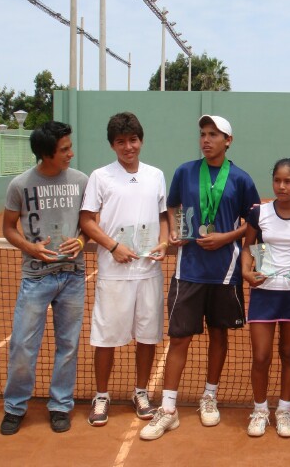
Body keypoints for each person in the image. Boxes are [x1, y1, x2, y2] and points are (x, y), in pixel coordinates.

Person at [139, 114, 260, 441]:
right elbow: (173, 207)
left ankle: (209, 396)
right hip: (188, 269)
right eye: (203, 134)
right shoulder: (184, 171)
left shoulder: (241, 179)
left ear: (228, 141)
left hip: (225, 272)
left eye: (214, 135)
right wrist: (177, 231)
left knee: (219, 337)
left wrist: (226, 237)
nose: (206, 140)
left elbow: (253, 223)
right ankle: (168, 409)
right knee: (179, 338)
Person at [80, 112, 168, 427]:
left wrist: (163, 242)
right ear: (113, 145)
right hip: (113, 272)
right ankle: (101, 395)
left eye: (132, 140)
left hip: (148, 272)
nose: (128, 147)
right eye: (121, 142)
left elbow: (163, 217)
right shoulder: (100, 177)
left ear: (140, 140)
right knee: (105, 337)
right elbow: (87, 220)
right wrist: (114, 247)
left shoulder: (156, 175)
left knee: (147, 336)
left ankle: (140, 392)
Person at [0, 122, 88, 435]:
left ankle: (61, 405)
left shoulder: (80, 181)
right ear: (46, 153)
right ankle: (15, 406)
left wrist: (79, 242)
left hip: (73, 276)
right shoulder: (20, 185)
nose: (70, 153)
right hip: (35, 278)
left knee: (68, 345)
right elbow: (9, 228)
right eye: (64, 149)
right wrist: (30, 247)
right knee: (23, 345)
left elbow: (89, 224)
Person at [241, 158, 290, 438]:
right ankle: (260, 410)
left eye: (288, 181)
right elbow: (249, 247)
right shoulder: (259, 213)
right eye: (277, 180)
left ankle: (285, 411)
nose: (281, 186)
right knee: (261, 356)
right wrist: (246, 272)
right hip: (264, 293)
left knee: (289, 354)